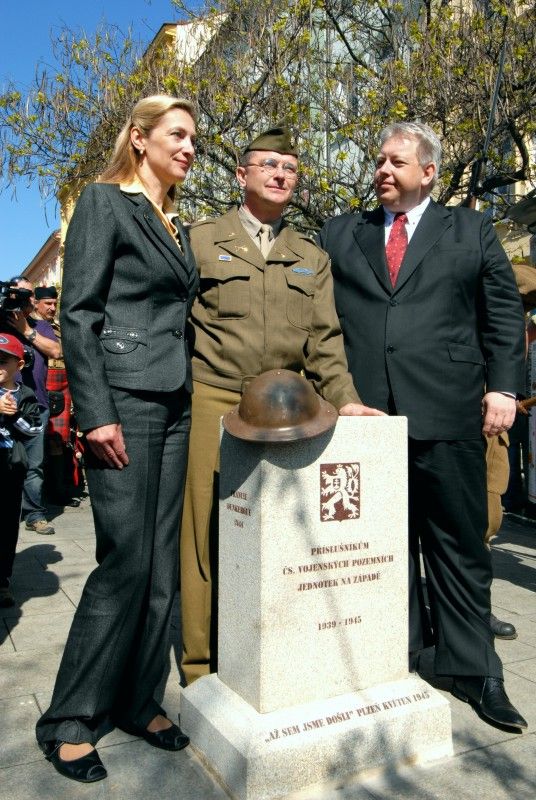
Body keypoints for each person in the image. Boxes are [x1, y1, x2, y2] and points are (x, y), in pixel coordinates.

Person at [318, 121, 527, 731]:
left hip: (448, 412)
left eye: (396, 161)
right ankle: (397, 655)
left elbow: (503, 313)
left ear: (428, 171)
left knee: (458, 546)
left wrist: (504, 387)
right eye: (378, 160)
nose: (382, 169)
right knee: (380, 548)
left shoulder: (471, 229)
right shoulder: (341, 232)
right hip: (365, 418)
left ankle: (474, 669)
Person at [181, 125, 382, 686]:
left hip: (290, 403)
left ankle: (275, 652)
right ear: (241, 174)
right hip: (215, 397)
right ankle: (200, 665)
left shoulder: (309, 256)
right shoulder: (199, 241)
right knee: (205, 529)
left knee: (284, 531)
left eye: (290, 168)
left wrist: (346, 401)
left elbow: (325, 340)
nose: (280, 175)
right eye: (268, 165)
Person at [35, 94, 199, 783]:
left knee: (162, 567)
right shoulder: (106, 203)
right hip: (124, 398)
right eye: (178, 135)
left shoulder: (174, 221)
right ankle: (69, 717)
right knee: (126, 558)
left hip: (176, 400)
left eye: (195, 138)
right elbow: (78, 312)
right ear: (140, 138)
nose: (190, 147)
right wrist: (94, 412)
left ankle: (138, 700)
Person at [5, 278, 60, 534]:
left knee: (34, 463)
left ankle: (34, 514)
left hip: (34, 403)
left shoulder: (40, 326)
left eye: (28, 295)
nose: (24, 300)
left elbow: (55, 351)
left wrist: (27, 330)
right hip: (3, 401)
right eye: (20, 294)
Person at [0, 334, 42, 607]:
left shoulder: (25, 394)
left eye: (3, 361)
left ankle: (2, 581)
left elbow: (35, 429)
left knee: (5, 526)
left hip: (9, 468)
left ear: (20, 364)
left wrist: (14, 415)